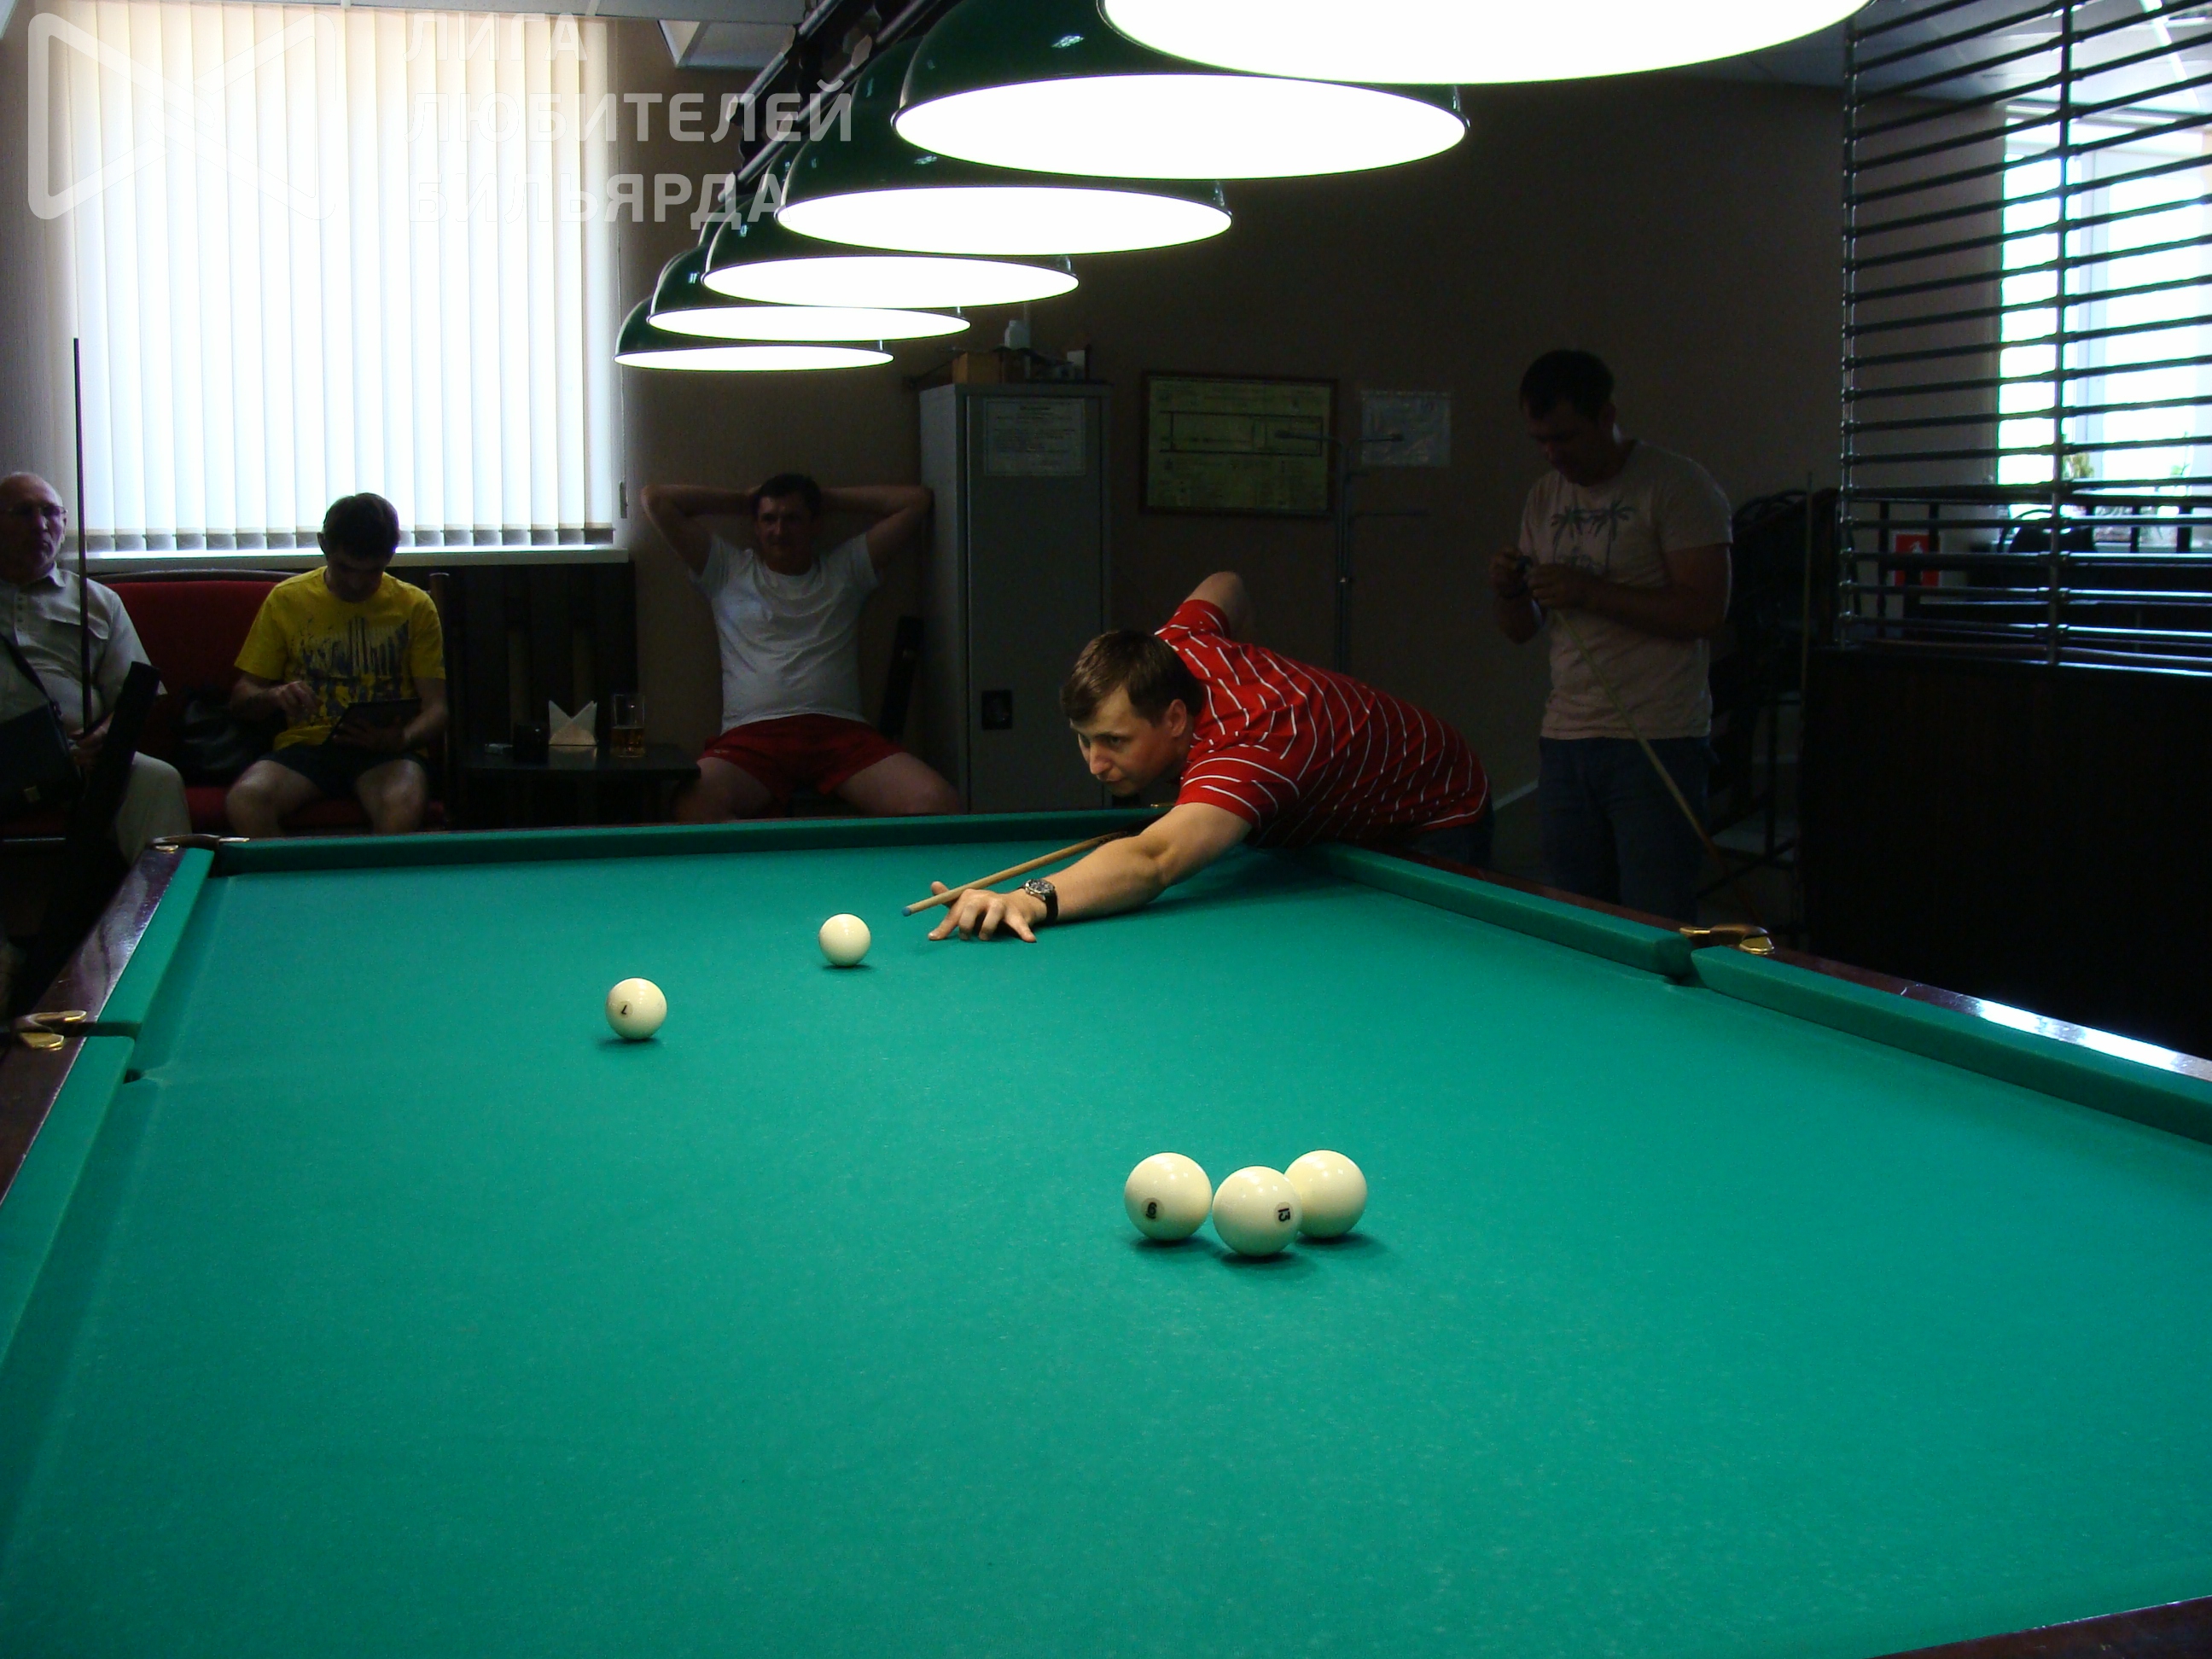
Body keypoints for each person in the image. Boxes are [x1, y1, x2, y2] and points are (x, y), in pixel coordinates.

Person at [928, 572, 1490, 941]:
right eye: (1084, 739)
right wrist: (1248, 656)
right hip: (1340, 791)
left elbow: (1154, 860)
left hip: (1434, 808)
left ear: (1176, 719)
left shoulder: (1249, 750)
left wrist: (1028, 900)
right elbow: (1228, 584)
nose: (1095, 765)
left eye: (1114, 742)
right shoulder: (1176, 645)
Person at [1488, 350, 1732, 923]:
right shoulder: (1545, 496)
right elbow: (1522, 630)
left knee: (1656, 915)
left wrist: (1590, 592)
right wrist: (1508, 592)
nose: (1553, 454)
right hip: (1566, 737)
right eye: (1540, 441)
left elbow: (1705, 613)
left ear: (1607, 416)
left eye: (1565, 437)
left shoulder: (1677, 485)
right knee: (1577, 917)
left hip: (1657, 738)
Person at [641, 473, 960, 822]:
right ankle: (772, 860)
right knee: (691, 806)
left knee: (937, 802)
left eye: (792, 518)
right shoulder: (726, 570)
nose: (779, 531)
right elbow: (656, 500)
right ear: (756, 525)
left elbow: (916, 502)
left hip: (840, 734)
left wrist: (828, 498)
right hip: (753, 737)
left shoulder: (845, 569)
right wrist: (744, 499)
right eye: (768, 519)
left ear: (815, 523)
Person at [225, 493, 448, 837]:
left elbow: (437, 709)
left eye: (372, 571)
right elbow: (242, 695)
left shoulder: (415, 606)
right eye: (345, 568)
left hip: (386, 751)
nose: (357, 583)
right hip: (306, 747)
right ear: (323, 546)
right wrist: (274, 696)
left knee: (401, 806)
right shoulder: (287, 599)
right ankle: (294, 875)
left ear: (391, 555)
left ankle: (372, 876)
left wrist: (402, 738)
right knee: (245, 801)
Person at [0, 471, 190, 859]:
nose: (40, 525)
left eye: (50, 512)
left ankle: (163, 896)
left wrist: (104, 739)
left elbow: (136, 698)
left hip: (75, 757)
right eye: (23, 512)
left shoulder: (98, 601)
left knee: (157, 779)